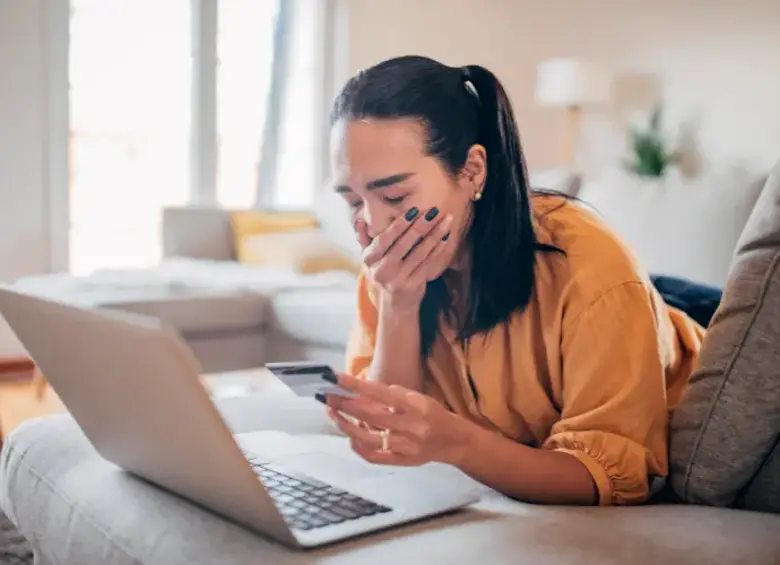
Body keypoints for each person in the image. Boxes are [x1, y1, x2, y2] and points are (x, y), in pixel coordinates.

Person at [317, 55, 705, 506]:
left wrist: (459, 443)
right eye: (351, 201)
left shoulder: (589, 265)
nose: (372, 224)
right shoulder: (386, 264)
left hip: (680, 332)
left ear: (472, 171)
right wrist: (398, 305)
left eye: (394, 195)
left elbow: (609, 478)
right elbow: (384, 430)